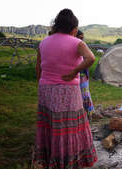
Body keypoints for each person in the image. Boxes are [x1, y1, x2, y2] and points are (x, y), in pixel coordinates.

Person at [34, 9, 97, 168]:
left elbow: (38, 67)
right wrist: (75, 71)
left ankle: (48, 157)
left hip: (46, 89)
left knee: (50, 123)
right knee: (68, 127)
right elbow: (91, 58)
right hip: (67, 91)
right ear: (74, 28)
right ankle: (67, 160)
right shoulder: (76, 42)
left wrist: (43, 83)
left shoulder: (44, 42)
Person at [76, 30, 102, 121]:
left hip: (83, 74)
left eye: (82, 38)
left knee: (85, 94)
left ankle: (90, 113)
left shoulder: (83, 46)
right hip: (75, 75)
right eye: (80, 38)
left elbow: (90, 59)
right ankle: (83, 114)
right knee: (78, 95)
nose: (81, 40)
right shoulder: (75, 46)